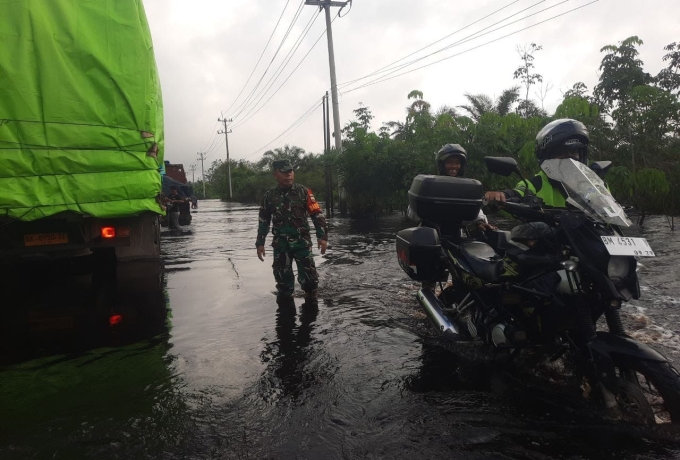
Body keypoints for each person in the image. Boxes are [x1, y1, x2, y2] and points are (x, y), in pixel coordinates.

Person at [256, 159, 329, 305]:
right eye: (284, 172)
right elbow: (263, 220)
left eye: (290, 172)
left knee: (310, 281)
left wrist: (322, 237)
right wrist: (260, 243)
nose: (288, 175)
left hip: (302, 243)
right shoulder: (269, 196)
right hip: (281, 245)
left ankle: (310, 313)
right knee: (283, 285)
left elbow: (317, 214)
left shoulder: (304, 192)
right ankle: (285, 317)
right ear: (275, 174)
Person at [484, 118, 590, 207]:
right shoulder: (536, 184)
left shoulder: (594, 185)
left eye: (574, 151)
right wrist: (500, 196)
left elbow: (606, 206)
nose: (569, 158)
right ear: (547, 156)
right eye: (561, 152)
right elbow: (518, 192)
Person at [435, 143, 496, 232]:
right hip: (430, 232)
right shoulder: (432, 183)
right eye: (449, 162)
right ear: (441, 164)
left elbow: (474, 206)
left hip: (456, 233)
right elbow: (413, 210)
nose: (454, 166)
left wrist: (479, 221)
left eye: (457, 163)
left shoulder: (465, 186)